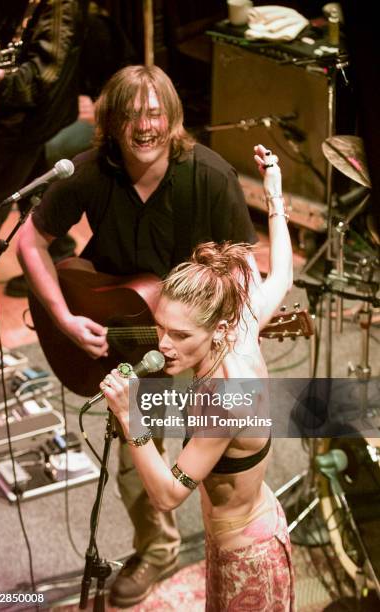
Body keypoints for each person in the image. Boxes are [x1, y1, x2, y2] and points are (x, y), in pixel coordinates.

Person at [16, 64, 260, 607]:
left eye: (154, 112)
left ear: (172, 118)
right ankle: (160, 547)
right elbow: (30, 243)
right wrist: (63, 317)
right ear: (111, 124)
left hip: (191, 340)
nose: (143, 126)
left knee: (190, 459)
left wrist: (218, 342)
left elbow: (248, 273)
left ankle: (212, 543)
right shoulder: (89, 171)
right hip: (116, 320)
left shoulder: (210, 176)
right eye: (130, 115)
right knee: (133, 461)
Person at [99, 143, 294, 611]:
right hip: (238, 534)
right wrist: (274, 196)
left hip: (247, 554)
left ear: (217, 329)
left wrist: (133, 421)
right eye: (161, 328)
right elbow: (282, 275)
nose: (163, 344)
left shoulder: (225, 403)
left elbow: (167, 496)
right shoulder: (240, 329)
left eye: (179, 335)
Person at [0, 0, 88, 292]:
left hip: (34, 117)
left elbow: (43, 77)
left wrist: (3, 81)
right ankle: (60, 257)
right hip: (0, 106)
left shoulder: (61, 6)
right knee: (32, 189)